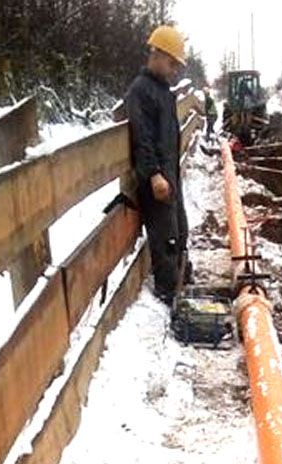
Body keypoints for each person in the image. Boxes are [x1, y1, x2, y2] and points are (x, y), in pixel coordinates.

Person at [125, 25, 191, 305]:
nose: (175, 69)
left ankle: (181, 282)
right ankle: (168, 293)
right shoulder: (140, 91)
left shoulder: (163, 91)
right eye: (172, 62)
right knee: (165, 239)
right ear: (158, 55)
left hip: (170, 175)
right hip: (158, 181)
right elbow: (142, 138)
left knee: (180, 231)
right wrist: (153, 175)